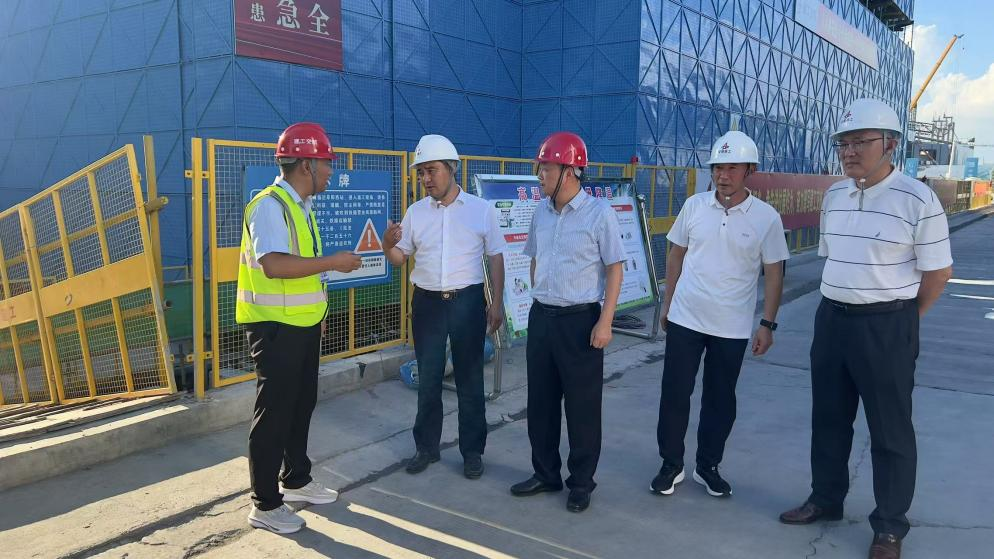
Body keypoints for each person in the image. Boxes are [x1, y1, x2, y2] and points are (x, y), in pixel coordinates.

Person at [779, 99, 953, 559]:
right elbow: (834, 258)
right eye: (843, 143)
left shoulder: (917, 199)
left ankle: (890, 526)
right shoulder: (835, 196)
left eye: (860, 141)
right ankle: (826, 499)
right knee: (828, 417)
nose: (849, 151)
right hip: (832, 320)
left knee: (890, 429)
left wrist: (904, 321)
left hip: (887, 324)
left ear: (890, 144)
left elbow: (938, 273)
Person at [649, 131, 790, 499]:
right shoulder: (694, 206)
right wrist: (668, 304)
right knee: (674, 394)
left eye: (731, 168)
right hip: (686, 317)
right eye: (717, 168)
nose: (723, 176)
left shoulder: (766, 218)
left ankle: (707, 466)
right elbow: (676, 255)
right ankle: (671, 464)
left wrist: (767, 324)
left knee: (720, 399)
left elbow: (774, 272)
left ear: (749, 170)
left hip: (731, 325)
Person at [237, 123, 363, 534]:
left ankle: (296, 480)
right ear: (306, 165)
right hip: (275, 328)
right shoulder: (269, 206)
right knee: (274, 413)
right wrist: (334, 262)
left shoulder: (302, 207)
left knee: (300, 404)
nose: (331, 171)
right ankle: (265, 504)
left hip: (303, 325)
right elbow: (274, 265)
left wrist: (319, 315)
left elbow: (305, 272)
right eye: (327, 163)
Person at [509, 131, 624, 513]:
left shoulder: (599, 214)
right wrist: (538, 297)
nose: (540, 175)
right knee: (540, 404)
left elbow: (615, 268)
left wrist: (605, 321)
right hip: (543, 318)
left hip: (580, 322)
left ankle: (581, 483)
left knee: (582, 408)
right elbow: (535, 258)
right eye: (540, 167)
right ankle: (546, 474)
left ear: (570, 171)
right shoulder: (540, 212)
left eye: (547, 168)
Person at [383, 134, 506, 479]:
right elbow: (399, 258)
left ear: (452, 168)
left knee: (470, 380)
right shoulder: (416, 212)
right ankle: (426, 447)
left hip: (467, 301)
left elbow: (496, 257)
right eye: (421, 172)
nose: (426, 178)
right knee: (429, 378)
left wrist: (496, 302)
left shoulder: (481, 210)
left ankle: (472, 452)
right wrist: (387, 244)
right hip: (428, 304)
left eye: (432, 170)